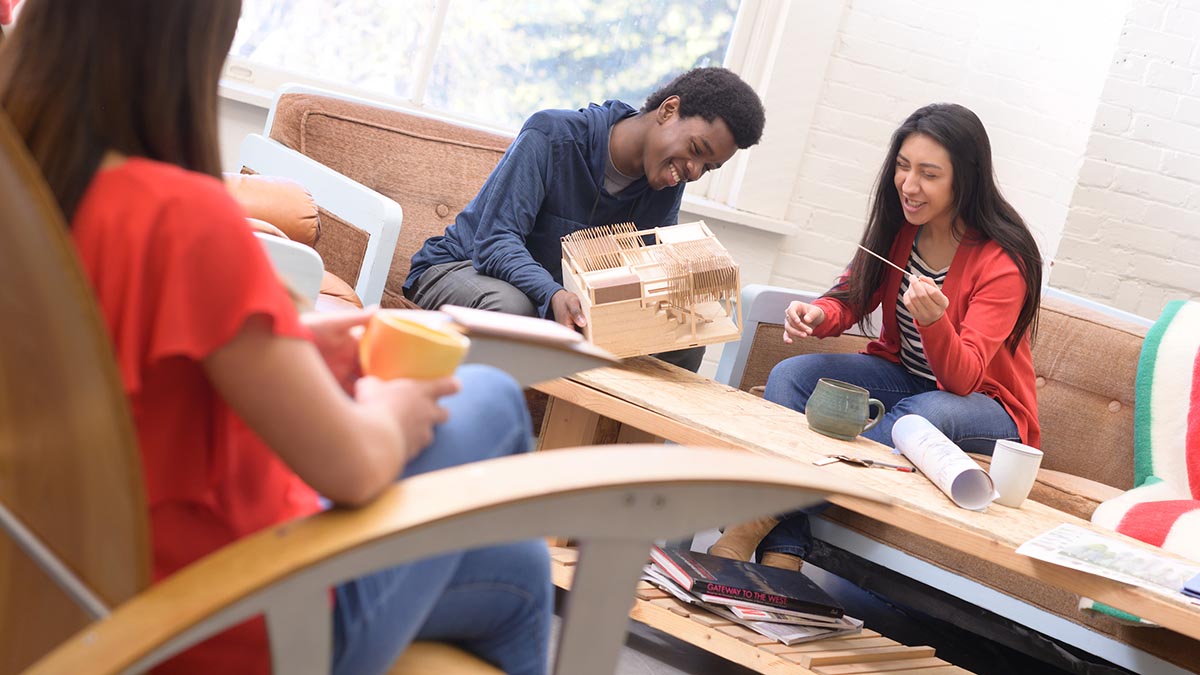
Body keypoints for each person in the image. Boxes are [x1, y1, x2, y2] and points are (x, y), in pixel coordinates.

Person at [0, 2, 550, 675]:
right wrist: (393, 404)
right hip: (234, 617)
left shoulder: (28, 192)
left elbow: (119, 368)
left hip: (73, 591)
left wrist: (290, 351)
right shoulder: (184, 217)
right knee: (490, 396)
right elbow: (352, 467)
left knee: (520, 569)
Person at [708, 102, 1043, 570]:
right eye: (903, 167)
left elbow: (964, 378)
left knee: (918, 414)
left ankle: (754, 522)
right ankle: (784, 555)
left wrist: (934, 322)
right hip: (906, 376)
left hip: (987, 407)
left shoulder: (1004, 263)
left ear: (964, 179)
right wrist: (818, 314)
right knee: (792, 376)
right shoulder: (901, 227)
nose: (909, 185)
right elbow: (850, 296)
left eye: (929, 174)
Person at [404, 67, 766, 372]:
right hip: (463, 270)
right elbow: (495, 240)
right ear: (669, 110)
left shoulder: (666, 181)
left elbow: (639, 268)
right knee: (514, 309)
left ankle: (616, 452)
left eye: (709, 167)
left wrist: (683, 304)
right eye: (697, 151)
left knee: (684, 345)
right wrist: (552, 293)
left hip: (567, 301)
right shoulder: (553, 135)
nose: (694, 171)